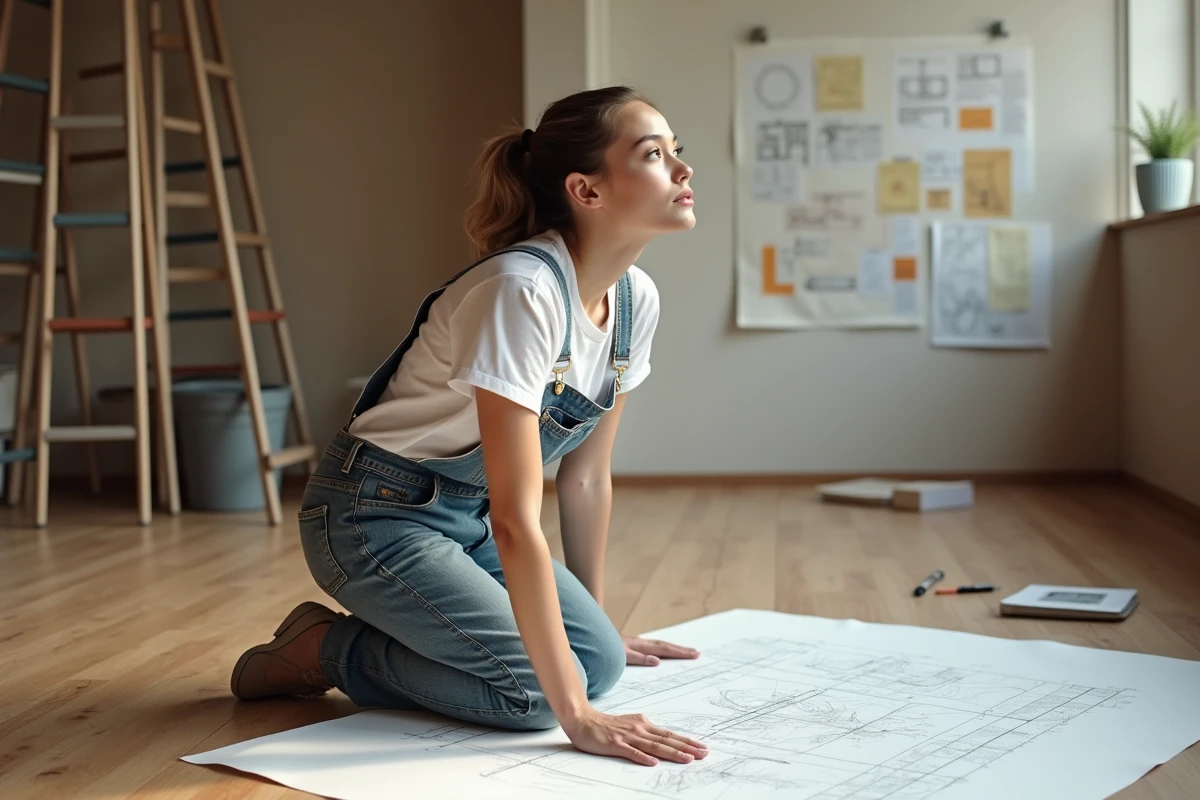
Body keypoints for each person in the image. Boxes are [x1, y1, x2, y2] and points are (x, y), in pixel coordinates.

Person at [229, 86, 707, 769]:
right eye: (655, 155)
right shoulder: (521, 291)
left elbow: (585, 476)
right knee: (537, 698)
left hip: (465, 521)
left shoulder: (635, 301)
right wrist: (575, 713)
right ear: (587, 191)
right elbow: (517, 517)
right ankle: (325, 649)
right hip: (372, 519)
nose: (683, 171)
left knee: (596, 663)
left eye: (676, 153)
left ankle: (514, 652)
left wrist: (594, 632)